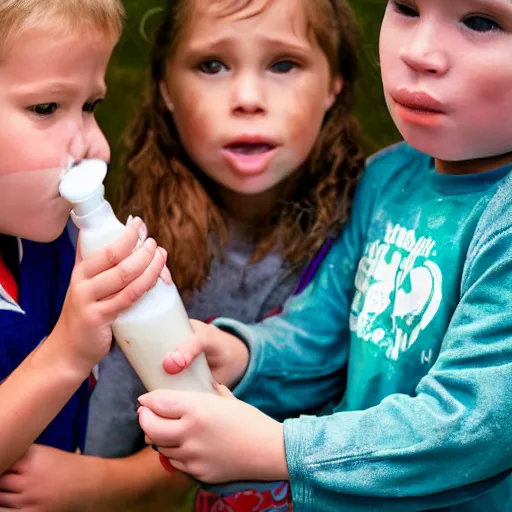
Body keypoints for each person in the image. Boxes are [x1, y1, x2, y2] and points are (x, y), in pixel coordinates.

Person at [139, 0, 512, 510]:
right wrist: (244, 356)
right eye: (405, 7)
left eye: (481, 21)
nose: (419, 52)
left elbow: (473, 426)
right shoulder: (388, 177)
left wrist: (277, 449)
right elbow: (324, 330)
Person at [85, 0, 365, 509]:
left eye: (283, 64)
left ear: (334, 84)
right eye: (212, 65)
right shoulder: (143, 250)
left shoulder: (374, 230)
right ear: (166, 88)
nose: (248, 98)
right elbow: (106, 425)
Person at [0, 1, 173, 510]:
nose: (94, 145)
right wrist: (68, 352)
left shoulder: (50, 244)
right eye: (47, 108)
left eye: (91, 106)